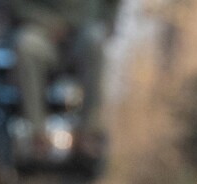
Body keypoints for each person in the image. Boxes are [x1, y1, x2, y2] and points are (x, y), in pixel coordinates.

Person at [9, 0, 118, 152]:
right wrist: (46, 21)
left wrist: (110, 21)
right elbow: (16, 5)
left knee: (95, 40)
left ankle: (88, 131)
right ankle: (37, 133)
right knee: (26, 45)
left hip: (82, 34)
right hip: (44, 34)